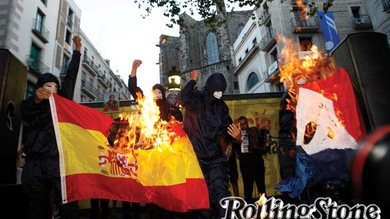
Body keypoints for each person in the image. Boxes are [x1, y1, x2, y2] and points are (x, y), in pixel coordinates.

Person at [20, 36, 82, 219]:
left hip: (58, 162)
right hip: (34, 163)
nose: (52, 89)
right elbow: (24, 111)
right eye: (48, 85)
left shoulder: (63, 102)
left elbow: (71, 76)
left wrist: (77, 51)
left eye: (55, 86)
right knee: (37, 204)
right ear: (40, 88)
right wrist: (37, 99)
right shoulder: (32, 104)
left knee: (67, 202)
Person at [180, 70, 238, 218]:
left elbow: (227, 129)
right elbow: (183, 97)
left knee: (221, 194)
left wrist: (235, 136)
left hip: (215, 158)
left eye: (221, 91)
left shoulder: (221, 107)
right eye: (216, 91)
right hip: (196, 159)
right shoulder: (196, 98)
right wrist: (193, 80)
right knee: (200, 199)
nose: (219, 94)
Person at [235, 116, 266, 203]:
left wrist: (266, 143)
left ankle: (263, 205)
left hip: (257, 162)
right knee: (248, 187)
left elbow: (263, 147)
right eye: (240, 124)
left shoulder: (254, 131)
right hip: (246, 164)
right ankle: (249, 206)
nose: (242, 126)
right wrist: (238, 140)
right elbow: (236, 150)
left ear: (247, 123)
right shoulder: (237, 135)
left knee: (261, 186)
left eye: (244, 124)